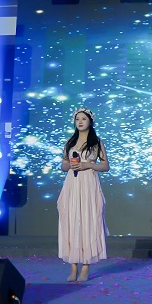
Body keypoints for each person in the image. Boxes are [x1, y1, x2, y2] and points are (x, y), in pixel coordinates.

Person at [58, 108, 109, 282]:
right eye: (77, 119)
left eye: (83, 119)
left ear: (90, 121)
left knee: (88, 221)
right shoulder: (70, 142)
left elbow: (105, 166)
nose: (80, 122)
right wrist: (71, 165)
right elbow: (63, 166)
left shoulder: (96, 142)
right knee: (72, 221)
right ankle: (73, 267)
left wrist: (88, 165)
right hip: (72, 184)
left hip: (89, 183)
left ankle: (86, 266)